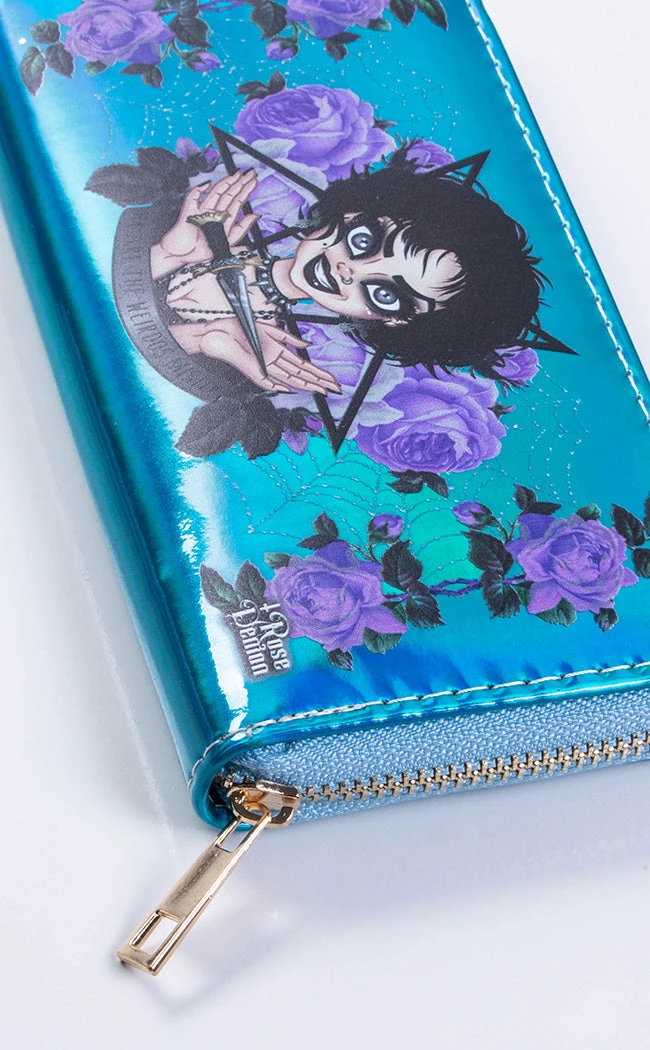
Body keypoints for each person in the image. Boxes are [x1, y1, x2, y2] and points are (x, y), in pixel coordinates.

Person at [150, 144, 545, 397]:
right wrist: (171, 252)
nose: (347, 271)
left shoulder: (266, 337)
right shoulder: (217, 243)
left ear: (396, 322)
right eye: (364, 241)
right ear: (354, 209)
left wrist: (211, 340)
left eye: (384, 294)